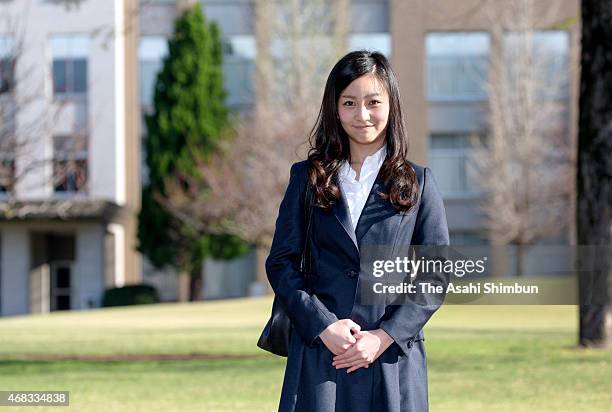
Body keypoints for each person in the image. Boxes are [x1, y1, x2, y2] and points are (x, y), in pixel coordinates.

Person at [265, 50, 449, 412]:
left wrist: (385, 336)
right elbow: (281, 263)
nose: (362, 114)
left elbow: (435, 274)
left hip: (391, 358)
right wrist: (322, 325)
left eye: (373, 102)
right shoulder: (306, 178)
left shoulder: (420, 183)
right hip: (322, 356)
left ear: (391, 106)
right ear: (335, 108)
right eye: (349, 102)